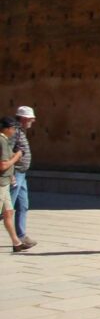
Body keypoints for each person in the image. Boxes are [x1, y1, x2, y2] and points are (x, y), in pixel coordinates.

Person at [0, 117, 32, 252]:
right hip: (1, 183)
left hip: (5, 181)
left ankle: (16, 243)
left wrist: (11, 174)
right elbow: (3, 165)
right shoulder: (1, 141)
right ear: (6, 128)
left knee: (8, 212)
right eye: (13, 129)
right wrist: (18, 155)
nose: (14, 131)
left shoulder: (5, 140)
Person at [11, 106, 37, 248]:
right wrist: (11, 173)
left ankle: (21, 236)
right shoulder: (14, 132)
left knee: (23, 205)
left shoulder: (21, 131)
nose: (32, 121)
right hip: (15, 174)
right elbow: (7, 152)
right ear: (22, 118)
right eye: (30, 118)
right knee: (6, 209)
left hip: (22, 173)